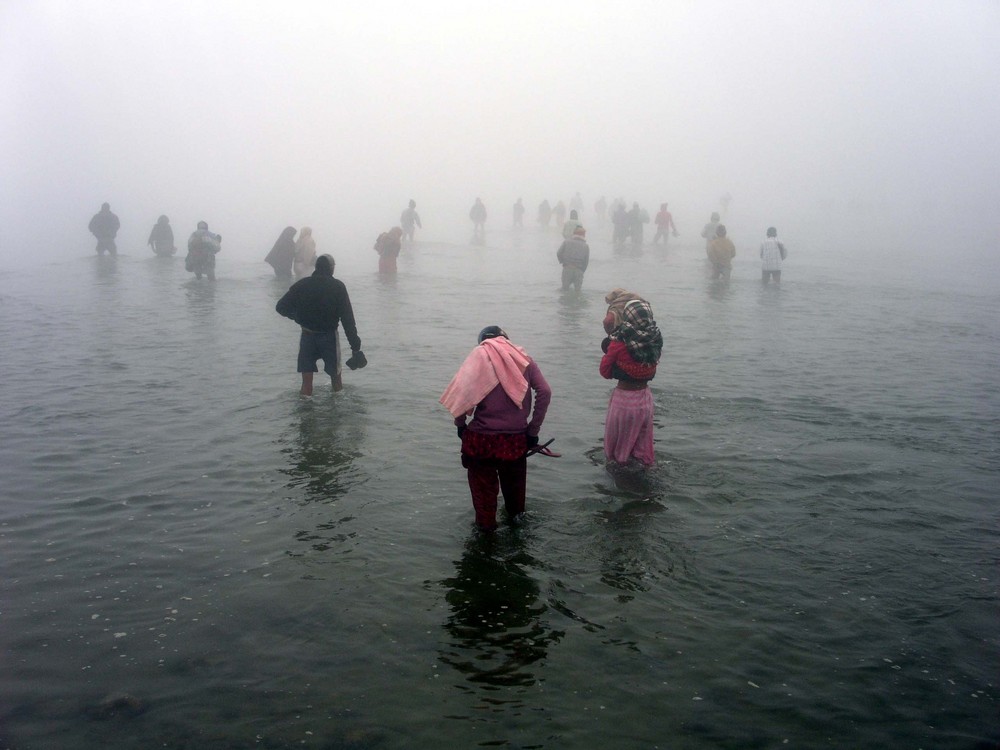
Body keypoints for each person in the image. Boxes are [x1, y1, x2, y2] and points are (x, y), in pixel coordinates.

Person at [440, 326, 552, 532]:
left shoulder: (479, 356)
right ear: (506, 339)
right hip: (516, 441)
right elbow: (545, 392)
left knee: (484, 506)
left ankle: (485, 545)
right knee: (516, 508)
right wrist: (532, 431)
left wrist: (460, 425)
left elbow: (461, 394)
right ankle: (517, 546)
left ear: (482, 341)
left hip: (481, 442)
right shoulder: (523, 358)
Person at [275, 254, 364, 396]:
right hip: (329, 338)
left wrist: (298, 318)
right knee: (336, 382)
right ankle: (337, 414)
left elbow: (280, 307)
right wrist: (355, 347)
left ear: (316, 267)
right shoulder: (338, 287)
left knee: (306, 384)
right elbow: (348, 320)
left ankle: (306, 413)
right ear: (331, 268)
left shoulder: (302, 284)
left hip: (307, 336)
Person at [600, 290, 662, 467]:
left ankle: (622, 488)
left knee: (618, 455)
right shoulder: (656, 338)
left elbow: (604, 371)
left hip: (625, 401)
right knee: (641, 450)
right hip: (646, 399)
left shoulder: (619, 343)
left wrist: (616, 364)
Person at [556, 225, 590, 291]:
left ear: (574, 233)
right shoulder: (586, 246)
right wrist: (582, 271)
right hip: (579, 270)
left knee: (565, 290)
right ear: (583, 235)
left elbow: (558, 253)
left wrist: (562, 261)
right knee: (577, 292)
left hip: (567, 268)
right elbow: (586, 261)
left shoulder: (566, 242)